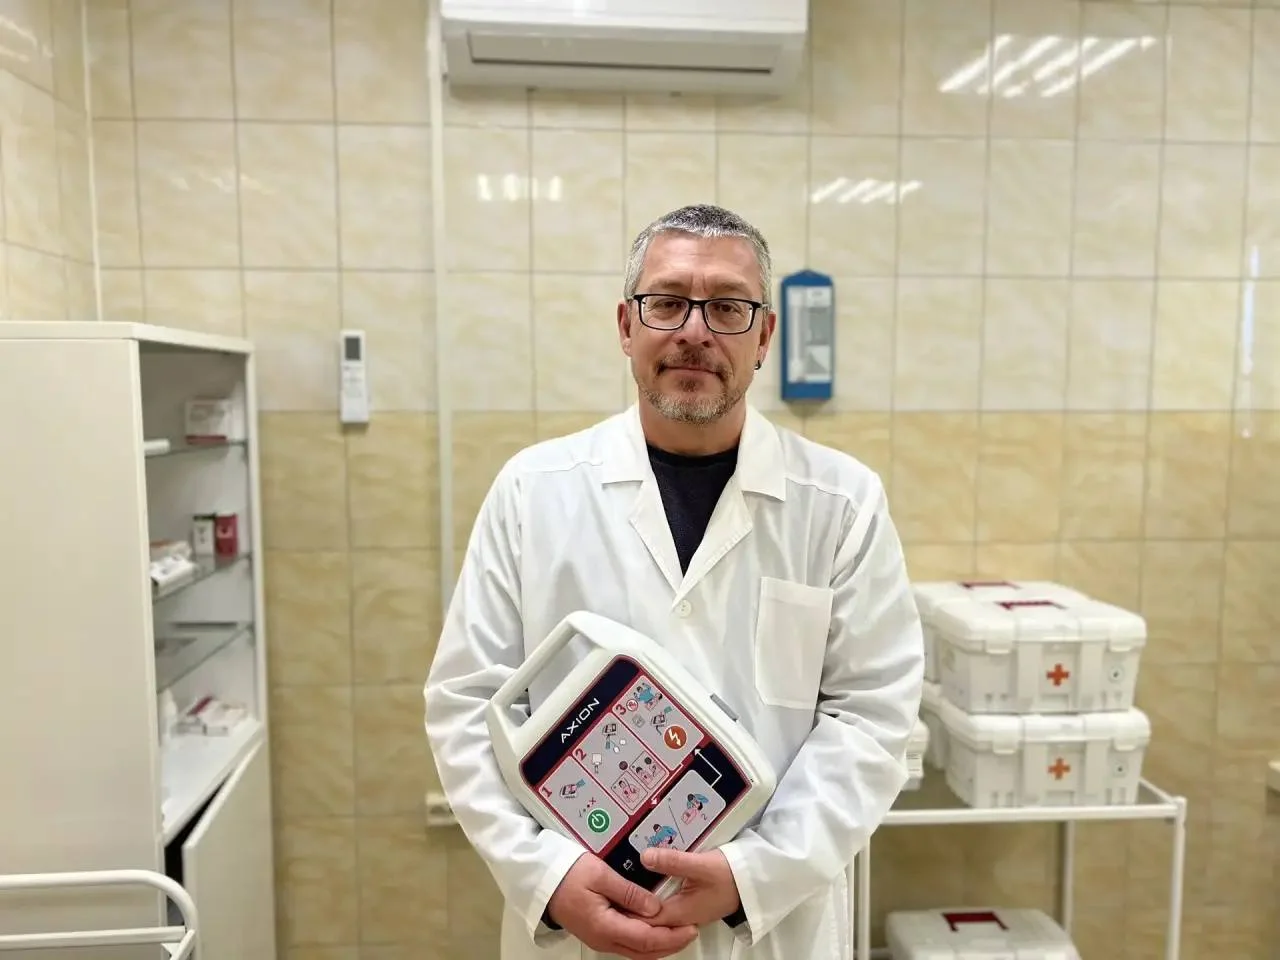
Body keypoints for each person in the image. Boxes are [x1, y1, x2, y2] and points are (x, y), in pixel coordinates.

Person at [424, 203, 925, 960]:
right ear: (627, 326)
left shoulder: (841, 504)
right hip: (583, 922)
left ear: (764, 337)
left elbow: (872, 716)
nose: (695, 330)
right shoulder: (533, 490)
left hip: (767, 929)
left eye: (727, 307)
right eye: (667, 303)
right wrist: (548, 877)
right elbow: (466, 702)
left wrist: (753, 873)